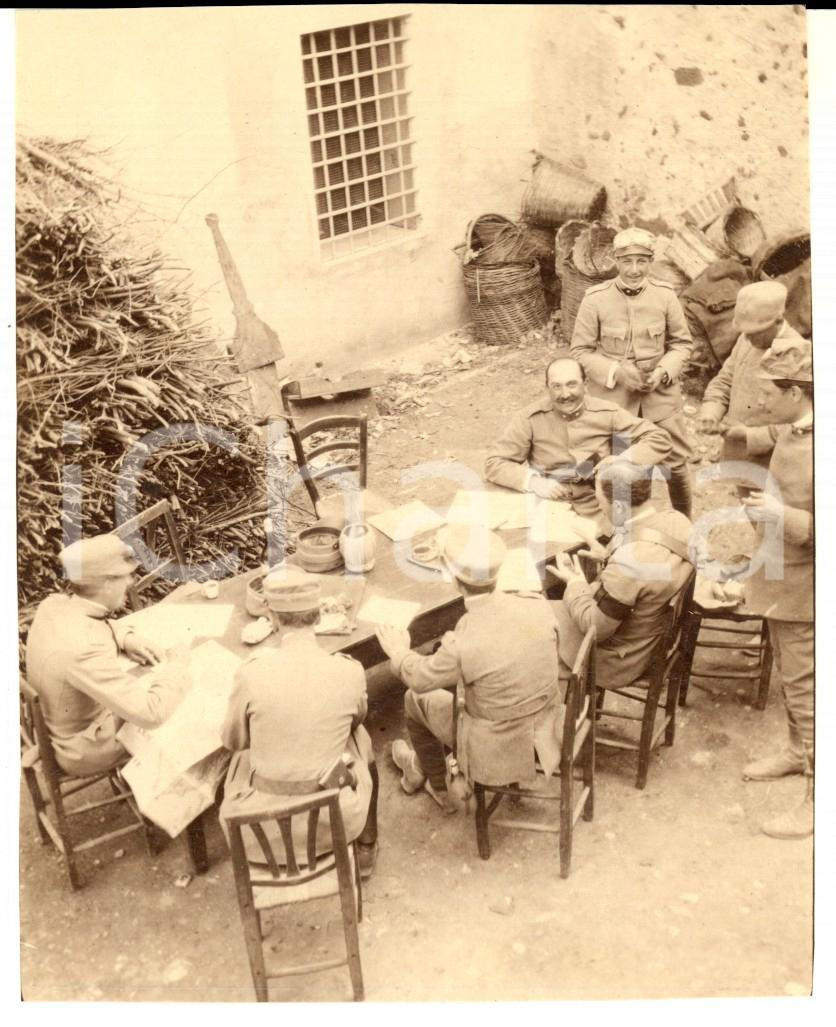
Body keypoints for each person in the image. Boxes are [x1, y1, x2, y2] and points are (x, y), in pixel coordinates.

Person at [377, 525, 562, 809]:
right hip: (546, 730)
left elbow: (419, 678)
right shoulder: (537, 604)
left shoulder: (462, 643)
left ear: (453, 579)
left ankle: (437, 785)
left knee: (414, 698)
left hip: (495, 749)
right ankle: (426, 770)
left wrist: (399, 651)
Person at [220, 566, 379, 876]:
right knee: (361, 739)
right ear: (319, 617)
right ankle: (367, 847)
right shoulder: (349, 671)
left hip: (257, 829)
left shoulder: (251, 673)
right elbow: (357, 719)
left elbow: (233, 741)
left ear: (274, 620)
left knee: (239, 759)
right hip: (335, 820)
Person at [724, 338, 813, 839]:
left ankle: (816, 797)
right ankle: (797, 751)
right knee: (791, 676)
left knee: (808, 690)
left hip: (808, 589)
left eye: (769, 394)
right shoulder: (799, 428)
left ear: (797, 392)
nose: (762, 404)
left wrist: (782, 516)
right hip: (782, 580)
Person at [25, 534, 189, 776]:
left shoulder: (55, 604)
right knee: (184, 709)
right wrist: (177, 667)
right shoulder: (84, 650)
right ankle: (175, 803)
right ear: (107, 583)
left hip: (60, 725)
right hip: (86, 747)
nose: (132, 583)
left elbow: (96, 621)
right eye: (127, 576)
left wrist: (125, 638)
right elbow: (150, 713)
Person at [570, 227, 695, 517]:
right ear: (615, 259)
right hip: (615, 400)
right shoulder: (595, 298)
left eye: (642, 261)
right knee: (618, 466)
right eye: (627, 261)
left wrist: (664, 371)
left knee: (675, 465)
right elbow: (580, 351)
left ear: (651, 261)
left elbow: (682, 344)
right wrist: (615, 371)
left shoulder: (665, 296)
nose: (635, 269)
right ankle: (622, 530)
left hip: (660, 398)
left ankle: (684, 527)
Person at [548, 460, 693, 690]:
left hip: (618, 659)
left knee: (530, 622)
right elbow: (652, 569)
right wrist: (608, 556)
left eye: (600, 500)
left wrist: (575, 583)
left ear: (618, 507)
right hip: (649, 637)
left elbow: (595, 628)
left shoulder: (628, 564)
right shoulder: (677, 520)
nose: (600, 507)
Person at [484, 356, 672, 521]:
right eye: (556, 386)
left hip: (599, 505)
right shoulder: (529, 418)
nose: (565, 394)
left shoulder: (607, 412)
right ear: (547, 387)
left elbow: (659, 438)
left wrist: (622, 460)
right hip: (549, 505)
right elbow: (495, 462)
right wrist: (534, 482)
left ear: (586, 383)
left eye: (572, 384)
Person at [698, 281, 805, 483]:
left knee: (769, 512)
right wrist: (711, 411)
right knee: (746, 503)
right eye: (744, 331)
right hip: (739, 456)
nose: (747, 337)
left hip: (774, 468)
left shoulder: (797, 355)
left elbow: (804, 424)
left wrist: (750, 435)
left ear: (778, 320)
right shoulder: (746, 339)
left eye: (755, 332)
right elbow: (725, 380)